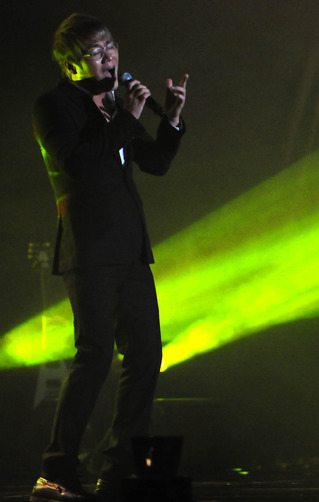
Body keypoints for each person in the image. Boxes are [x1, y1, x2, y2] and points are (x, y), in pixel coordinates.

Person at [30, 13, 188, 502]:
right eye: (97, 52)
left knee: (146, 355)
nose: (110, 57)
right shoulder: (54, 106)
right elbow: (79, 164)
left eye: (111, 47)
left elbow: (155, 163)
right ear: (71, 66)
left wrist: (171, 118)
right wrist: (126, 117)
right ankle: (56, 469)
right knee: (95, 355)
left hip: (131, 251)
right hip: (90, 249)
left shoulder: (115, 106)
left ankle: (119, 466)